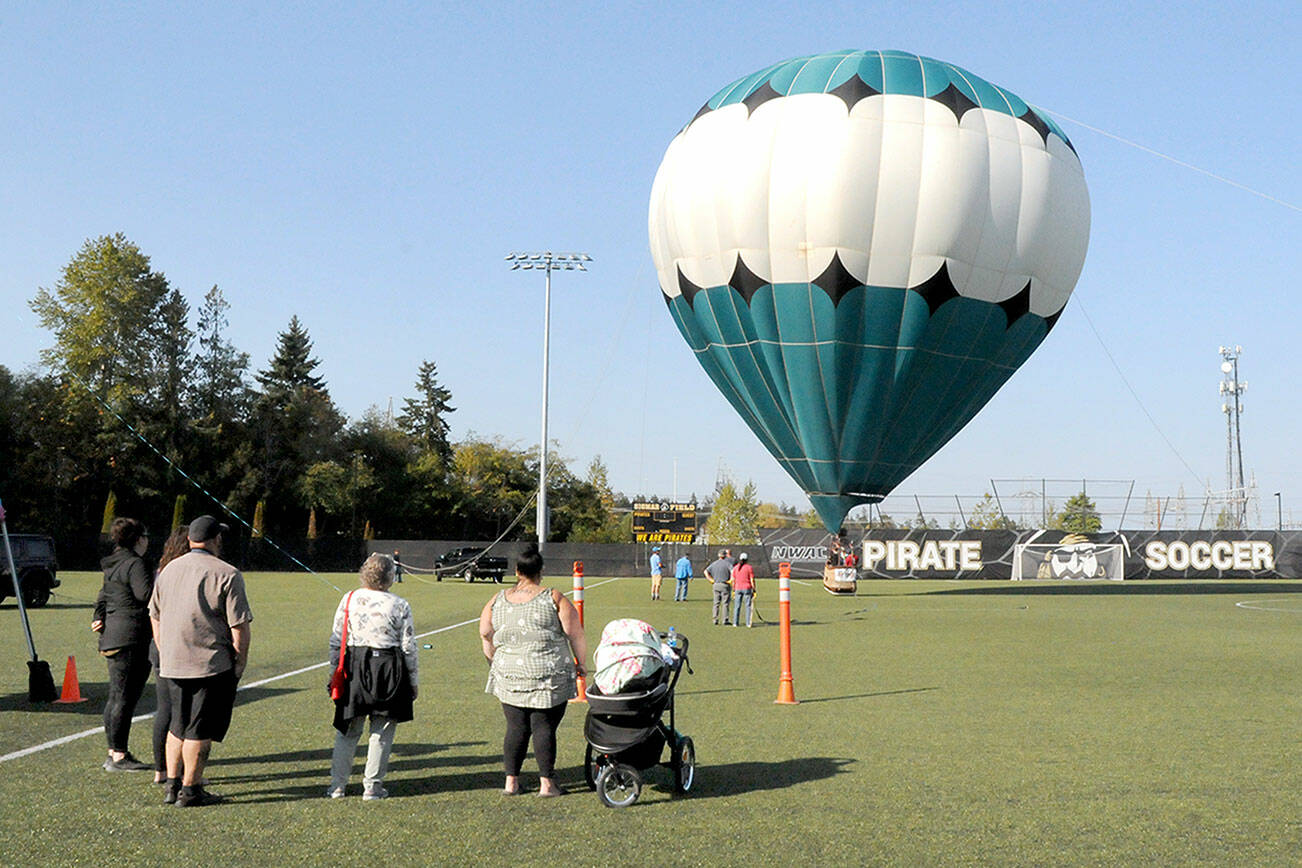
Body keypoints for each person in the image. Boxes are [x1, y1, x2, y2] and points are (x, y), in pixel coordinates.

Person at [149, 515, 253, 807]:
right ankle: (191, 789)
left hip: (172, 661)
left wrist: (163, 647)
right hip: (209, 662)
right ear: (215, 539)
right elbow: (239, 626)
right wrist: (240, 661)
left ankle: (172, 785)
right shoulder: (227, 573)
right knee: (199, 729)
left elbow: (154, 615)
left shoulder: (168, 570)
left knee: (177, 725)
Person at [480, 544, 587, 797]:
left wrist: (493, 661)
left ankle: (511, 782)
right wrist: (581, 664)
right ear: (541, 571)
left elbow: (485, 632)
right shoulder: (554, 597)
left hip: (510, 674)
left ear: (517, 571)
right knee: (544, 727)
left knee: (515, 727)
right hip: (547, 674)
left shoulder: (497, 599)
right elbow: (576, 634)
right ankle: (547, 784)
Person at [327, 553, 417, 800]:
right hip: (389, 666)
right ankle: (372, 786)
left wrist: (333, 672)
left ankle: (337, 785)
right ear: (389, 576)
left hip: (355, 666)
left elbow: (337, 640)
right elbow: (408, 646)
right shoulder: (400, 604)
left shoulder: (349, 598)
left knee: (348, 729)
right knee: (383, 729)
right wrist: (413, 681)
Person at [91, 517, 154, 772]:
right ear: (138, 539)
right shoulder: (135, 563)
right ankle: (118, 755)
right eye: (146, 536)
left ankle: (114, 751)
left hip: (113, 636)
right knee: (124, 698)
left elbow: (102, 597)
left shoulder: (114, 563)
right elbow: (145, 595)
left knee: (116, 696)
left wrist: (98, 617)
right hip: (131, 637)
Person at [148, 526, 191, 784]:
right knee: (180, 712)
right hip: (176, 647)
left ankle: (161, 770)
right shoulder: (179, 572)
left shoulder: (162, 571)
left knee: (165, 708)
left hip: (161, 645)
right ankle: (181, 772)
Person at [705, 550, 733, 625]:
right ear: (725, 555)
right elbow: (733, 572)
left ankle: (715, 619)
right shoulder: (728, 564)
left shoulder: (714, 564)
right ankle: (725, 620)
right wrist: (731, 580)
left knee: (716, 603)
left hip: (716, 584)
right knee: (725, 603)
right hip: (725, 584)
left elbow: (706, 571)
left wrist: (710, 579)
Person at [731, 552, 756, 628]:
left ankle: (735, 622)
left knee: (737, 606)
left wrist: (733, 589)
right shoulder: (749, 567)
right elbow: (752, 579)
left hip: (737, 588)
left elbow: (733, 580)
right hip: (747, 588)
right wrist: (754, 589)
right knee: (748, 606)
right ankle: (748, 623)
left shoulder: (735, 568)